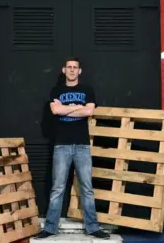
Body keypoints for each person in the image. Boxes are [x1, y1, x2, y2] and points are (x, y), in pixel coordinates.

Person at [35, 57, 110, 239]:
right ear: (64, 70)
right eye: (69, 67)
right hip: (61, 145)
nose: (72, 70)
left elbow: (89, 111)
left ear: (79, 71)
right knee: (58, 188)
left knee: (87, 187)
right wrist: (77, 107)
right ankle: (50, 227)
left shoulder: (87, 90)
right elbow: (55, 111)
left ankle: (92, 227)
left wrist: (66, 108)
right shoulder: (57, 90)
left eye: (75, 67)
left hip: (82, 145)